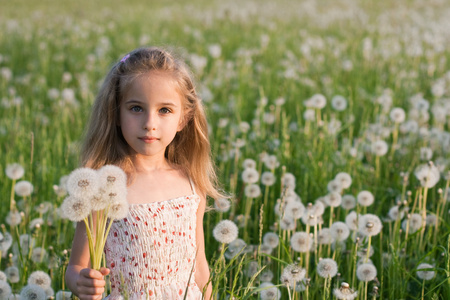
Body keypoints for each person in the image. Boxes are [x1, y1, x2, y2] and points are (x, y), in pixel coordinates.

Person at [65, 47, 222, 300]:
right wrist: (81, 281)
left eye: (165, 110)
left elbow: (200, 267)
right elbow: (76, 266)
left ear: (184, 118)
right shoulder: (104, 189)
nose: (150, 122)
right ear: (115, 113)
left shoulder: (192, 184)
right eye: (136, 108)